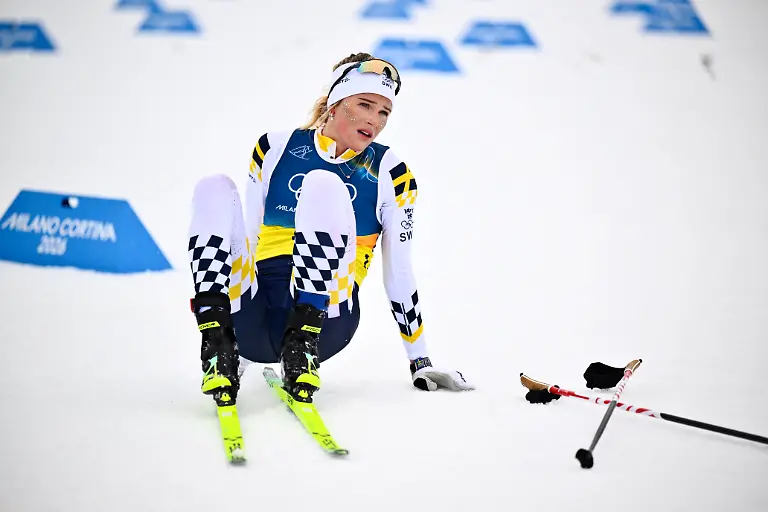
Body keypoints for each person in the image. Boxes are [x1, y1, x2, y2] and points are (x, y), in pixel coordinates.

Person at [186, 52, 474, 407]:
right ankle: (217, 344)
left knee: (323, 184)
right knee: (213, 187)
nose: (375, 120)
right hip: (256, 316)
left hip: (328, 319)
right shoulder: (274, 148)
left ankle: (301, 344)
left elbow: (398, 272)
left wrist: (420, 359)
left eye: (384, 112)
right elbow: (247, 241)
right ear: (335, 104)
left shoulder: (390, 171)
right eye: (365, 105)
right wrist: (245, 348)